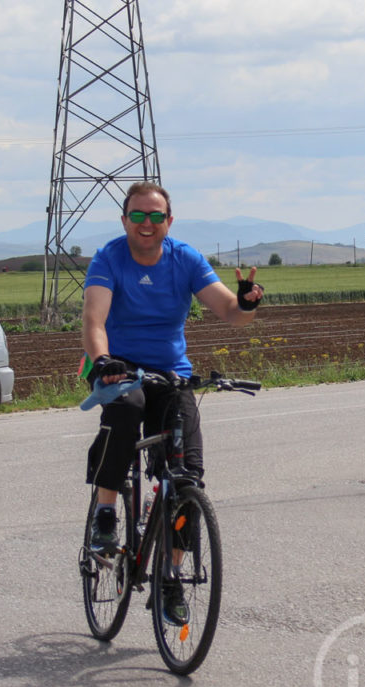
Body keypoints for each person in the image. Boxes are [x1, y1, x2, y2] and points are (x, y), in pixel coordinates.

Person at [82, 181, 263, 625]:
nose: (147, 224)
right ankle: (107, 511)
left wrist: (246, 303)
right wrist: (103, 359)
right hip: (120, 368)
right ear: (124, 220)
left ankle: (171, 578)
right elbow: (93, 320)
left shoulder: (185, 258)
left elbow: (230, 313)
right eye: (138, 216)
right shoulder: (110, 258)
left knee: (187, 479)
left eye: (155, 216)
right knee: (124, 412)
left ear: (169, 221)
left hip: (171, 375)